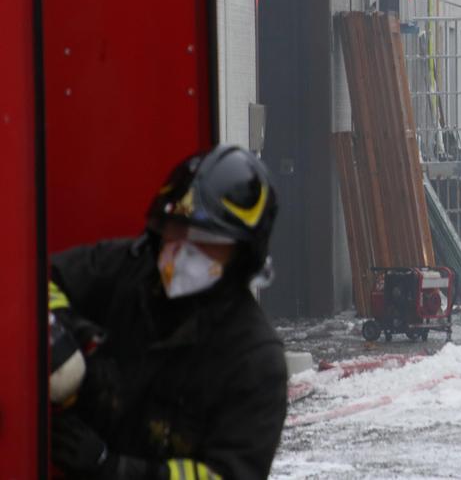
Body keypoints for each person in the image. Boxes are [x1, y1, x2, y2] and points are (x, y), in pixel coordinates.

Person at [49, 145, 288, 480]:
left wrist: (114, 470)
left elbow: (228, 475)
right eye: (175, 231)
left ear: (241, 254)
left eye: (206, 239)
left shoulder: (254, 360)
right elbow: (36, 280)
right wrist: (68, 331)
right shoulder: (128, 270)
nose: (182, 252)